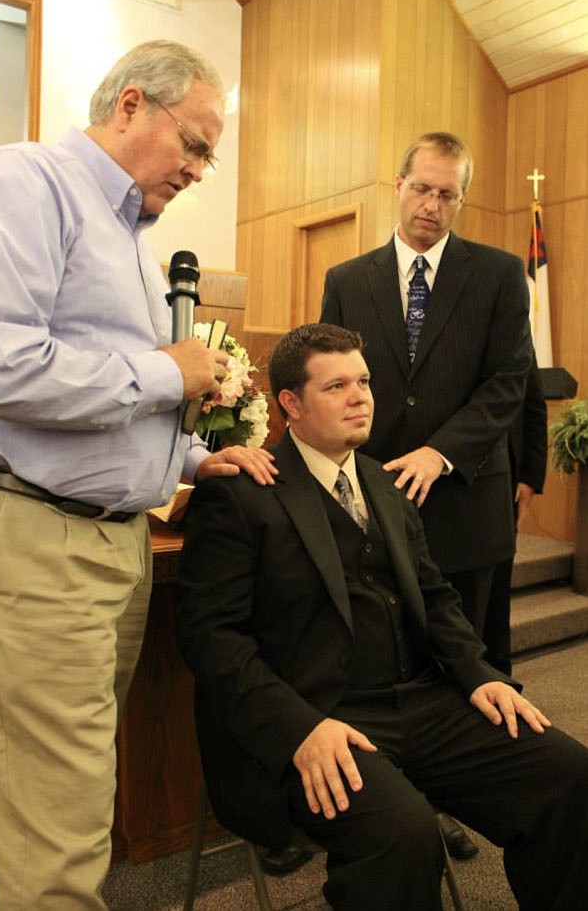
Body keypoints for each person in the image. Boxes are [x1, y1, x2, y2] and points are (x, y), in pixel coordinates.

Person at [0, 40, 276, 911]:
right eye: (196, 143)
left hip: (114, 545)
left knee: (70, 804)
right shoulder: (26, 183)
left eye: (210, 155)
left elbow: (110, 407)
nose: (200, 169)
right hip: (42, 539)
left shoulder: (136, 245)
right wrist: (170, 374)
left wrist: (189, 455)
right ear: (133, 103)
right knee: (58, 836)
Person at [176, 323, 588, 911]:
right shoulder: (240, 493)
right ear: (290, 404)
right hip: (318, 715)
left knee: (570, 777)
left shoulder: (383, 481)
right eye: (336, 385)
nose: (360, 396)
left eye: (364, 381)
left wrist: (482, 675)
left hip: (421, 700)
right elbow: (210, 638)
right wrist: (300, 728)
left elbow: (435, 596)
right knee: (403, 836)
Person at [320, 131, 534, 856]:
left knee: (463, 659)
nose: (432, 206)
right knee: (387, 663)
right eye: (423, 188)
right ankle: (402, 810)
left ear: (462, 199)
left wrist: (441, 452)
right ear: (399, 184)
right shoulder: (348, 278)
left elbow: (510, 383)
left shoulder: (502, 275)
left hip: (466, 502)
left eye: (448, 194)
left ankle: (456, 797)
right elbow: (331, 378)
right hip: (373, 508)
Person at [484, 356, 548, 675]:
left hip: (505, 479)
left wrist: (530, 477)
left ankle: (499, 675)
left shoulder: (509, 326)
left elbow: (534, 404)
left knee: (496, 593)